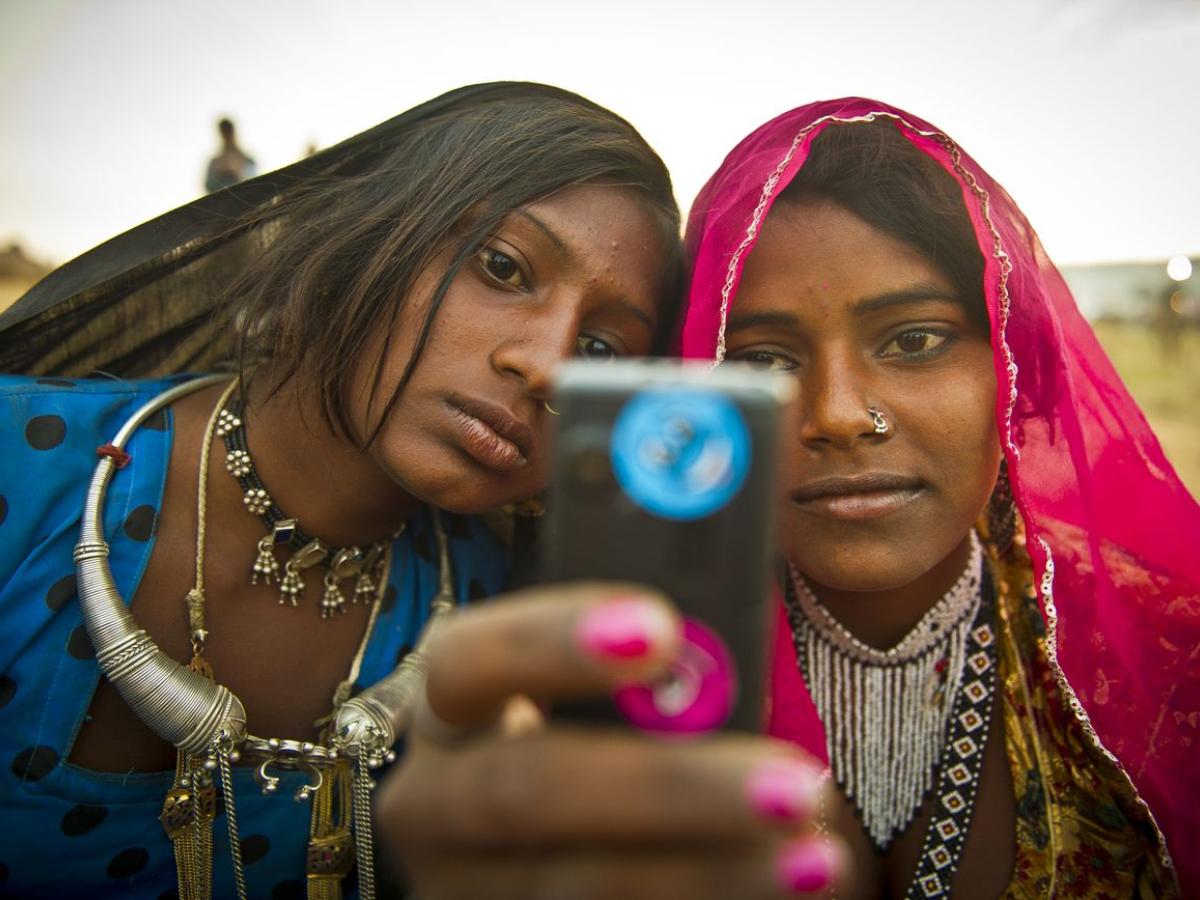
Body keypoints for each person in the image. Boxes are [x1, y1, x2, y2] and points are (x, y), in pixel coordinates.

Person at [0, 83, 836, 900]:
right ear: (363, 234)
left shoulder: (494, 608)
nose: (547, 365)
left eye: (604, 349)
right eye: (504, 267)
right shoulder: (27, 468)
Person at [672, 100, 1200, 897]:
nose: (840, 416)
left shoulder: (1170, 657)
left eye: (914, 340)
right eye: (761, 361)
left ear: (1014, 368)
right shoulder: (632, 666)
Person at [205, 117, 258, 193]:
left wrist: (238, 171)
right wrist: (218, 172)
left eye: (228, 131)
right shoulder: (214, 163)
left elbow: (255, 184)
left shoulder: (248, 160)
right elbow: (208, 186)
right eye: (224, 131)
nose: (227, 135)